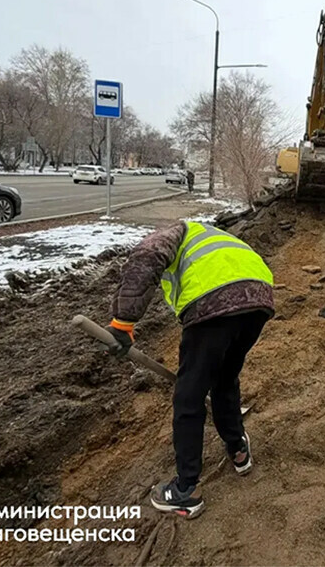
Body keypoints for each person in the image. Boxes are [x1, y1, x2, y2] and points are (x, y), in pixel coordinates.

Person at [105, 221, 274, 519]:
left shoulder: (172, 232)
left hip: (213, 302)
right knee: (224, 379)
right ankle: (238, 450)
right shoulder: (211, 235)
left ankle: (185, 490)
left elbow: (146, 259)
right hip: (259, 299)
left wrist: (122, 322)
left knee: (189, 397)